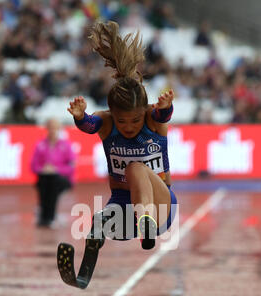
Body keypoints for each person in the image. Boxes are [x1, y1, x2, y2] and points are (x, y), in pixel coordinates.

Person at [68, 21, 177, 250]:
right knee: (100, 218)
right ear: (112, 115)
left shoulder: (152, 120)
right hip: (122, 205)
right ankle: (90, 258)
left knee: (135, 168)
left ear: (144, 112)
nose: (128, 127)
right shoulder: (106, 122)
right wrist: (80, 117)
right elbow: (89, 125)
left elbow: (162, 115)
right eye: (122, 121)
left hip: (160, 205)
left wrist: (166, 106)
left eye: (135, 120)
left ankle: (146, 222)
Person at [31, 118, 76, 227]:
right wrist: (43, 169)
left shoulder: (65, 145)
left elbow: (71, 167)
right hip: (45, 178)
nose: (52, 130)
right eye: (50, 127)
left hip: (62, 179)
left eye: (55, 127)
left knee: (53, 183)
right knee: (44, 181)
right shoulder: (40, 145)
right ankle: (44, 215)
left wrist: (56, 169)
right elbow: (33, 165)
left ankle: (48, 216)